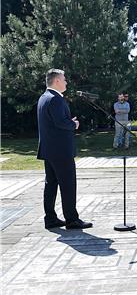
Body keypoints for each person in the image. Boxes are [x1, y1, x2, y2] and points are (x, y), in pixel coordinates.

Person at [37, 69, 92, 229]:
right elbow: (61, 123)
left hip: (49, 150)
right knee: (67, 185)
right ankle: (72, 219)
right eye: (64, 79)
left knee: (51, 184)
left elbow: (54, 122)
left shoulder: (43, 98)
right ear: (56, 81)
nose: (66, 82)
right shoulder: (55, 99)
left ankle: (50, 218)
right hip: (61, 151)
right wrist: (73, 124)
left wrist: (67, 121)